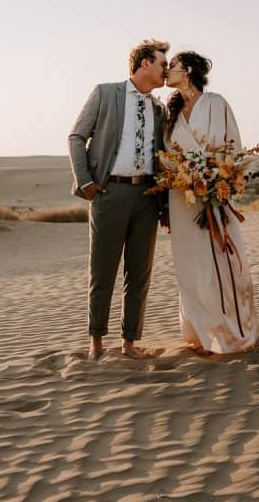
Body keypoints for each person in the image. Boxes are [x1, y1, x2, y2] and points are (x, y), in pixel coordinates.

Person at [68, 39, 169, 360]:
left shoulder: (159, 108)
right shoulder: (105, 93)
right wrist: (85, 181)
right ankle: (96, 341)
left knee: (139, 272)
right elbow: (76, 136)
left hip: (147, 196)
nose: (166, 70)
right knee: (103, 270)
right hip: (109, 192)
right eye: (162, 63)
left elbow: (165, 154)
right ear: (144, 64)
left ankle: (129, 342)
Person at [164, 51, 259, 354]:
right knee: (190, 265)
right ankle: (200, 333)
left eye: (172, 67)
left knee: (222, 259)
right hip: (182, 199)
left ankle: (234, 333)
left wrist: (224, 180)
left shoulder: (216, 103)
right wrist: (183, 178)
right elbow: (166, 158)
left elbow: (233, 144)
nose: (167, 71)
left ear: (189, 70)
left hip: (215, 195)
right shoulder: (172, 114)